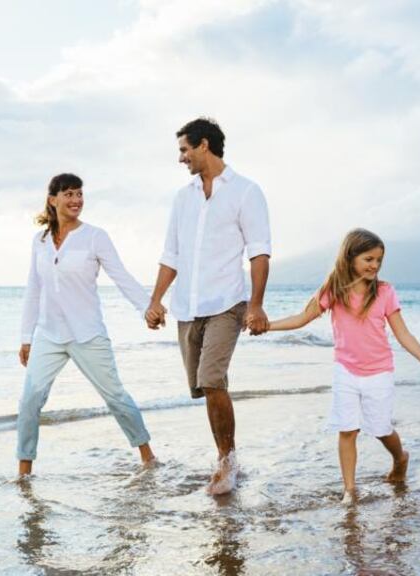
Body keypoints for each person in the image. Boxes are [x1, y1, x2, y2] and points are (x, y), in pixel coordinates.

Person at [145, 117, 271, 495]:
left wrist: (257, 306)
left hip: (227, 303)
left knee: (212, 379)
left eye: (184, 149)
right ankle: (224, 453)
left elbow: (259, 252)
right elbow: (172, 255)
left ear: (204, 145)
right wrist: (156, 301)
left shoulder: (247, 192)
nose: (181, 158)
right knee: (203, 387)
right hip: (187, 307)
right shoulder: (182, 198)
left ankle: (227, 462)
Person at [266, 229, 420, 503]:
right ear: (350, 257)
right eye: (368, 259)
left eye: (378, 260)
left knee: (381, 429)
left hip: (379, 371)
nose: (374, 265)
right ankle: (350, 489)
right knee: (347, 430)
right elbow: (302, 318)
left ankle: (400, 458)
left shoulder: (384, 292)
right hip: (345, 370)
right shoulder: (333, 290)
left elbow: (403, 334)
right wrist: (267, 326)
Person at [17, 173, 155, 476]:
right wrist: (27, 337)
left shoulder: (95, 236)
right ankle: (24, 472)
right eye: (68, 194)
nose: (76, 200)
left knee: (116, 397)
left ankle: (148, 457)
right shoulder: (39, 240)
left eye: (79, 194)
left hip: (87, 333)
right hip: (49, 335)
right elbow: (33, 289)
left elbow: (120, 275)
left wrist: (147, 307)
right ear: (53, 200)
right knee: (29, 401)